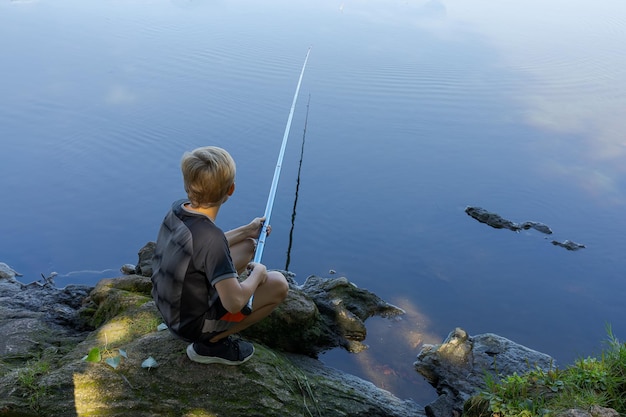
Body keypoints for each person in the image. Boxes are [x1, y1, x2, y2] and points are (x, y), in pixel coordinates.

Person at [151, 146, 289, 365]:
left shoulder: (178, 209)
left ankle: (198, 320)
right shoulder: (212, 239)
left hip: (168, 306)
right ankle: (211, 343)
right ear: (231, 190)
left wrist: (247, 230)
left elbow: (203, 245)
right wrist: (258, 276)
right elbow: (234, 303)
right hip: (189, 325)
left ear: (188, 186)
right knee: (279, 284)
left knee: (248, 246)